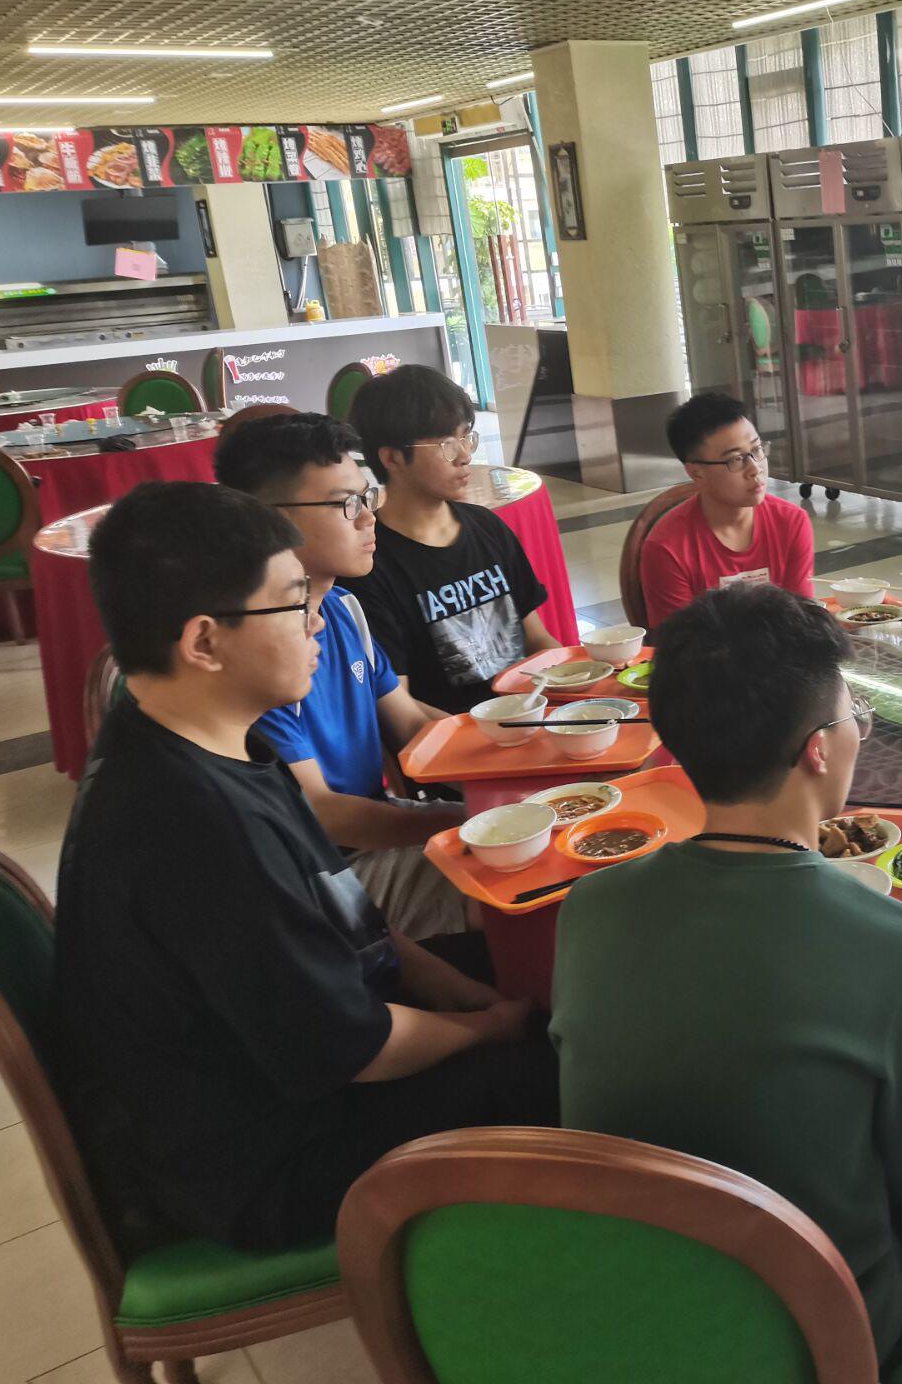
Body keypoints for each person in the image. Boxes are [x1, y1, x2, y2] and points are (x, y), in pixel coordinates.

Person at [548, 585, 902, 1383]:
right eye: (856, 717)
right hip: (824, 1327)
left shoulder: (588, 906)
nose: (858, 733)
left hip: (643, 1292)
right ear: (818, 750)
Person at [55, 481, 555, 1251]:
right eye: (295, 604)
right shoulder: (187, 828)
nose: (319, 620)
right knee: (568, 1069)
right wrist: (488, 1028)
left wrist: (472, 996)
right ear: (204, 643)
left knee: (553, 974)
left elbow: (353, 921)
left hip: (311, 1056)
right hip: (268, 1159)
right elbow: (354, 1048)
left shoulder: (217, 738)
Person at [214, 411, 471, 939]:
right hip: (325, 871)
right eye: (346, 504)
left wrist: (517, 767)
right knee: (531, 876)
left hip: (381, 824)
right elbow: (322, 813)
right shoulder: (261, 649)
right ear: (267, 519)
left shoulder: (343, 609)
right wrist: (471, 818)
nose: (369, 517)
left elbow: (412, 724)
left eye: (368, 497)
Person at [342, 365, 560, 714]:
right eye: (446, 444)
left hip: (532, 713)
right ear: (392, 458)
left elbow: (537, 640)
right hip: (455, 735)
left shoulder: (487, 527)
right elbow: (399, 705)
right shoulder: (370, 565)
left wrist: (573, 695)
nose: (464, 455)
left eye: (465, 437)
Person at [638, 391, 815, 624]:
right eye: (736, 459)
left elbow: (802, 623)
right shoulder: (667, 548)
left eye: (757, 450)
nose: (755, 469)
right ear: (696, 473)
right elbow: (678, 641)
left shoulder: (791, 522)